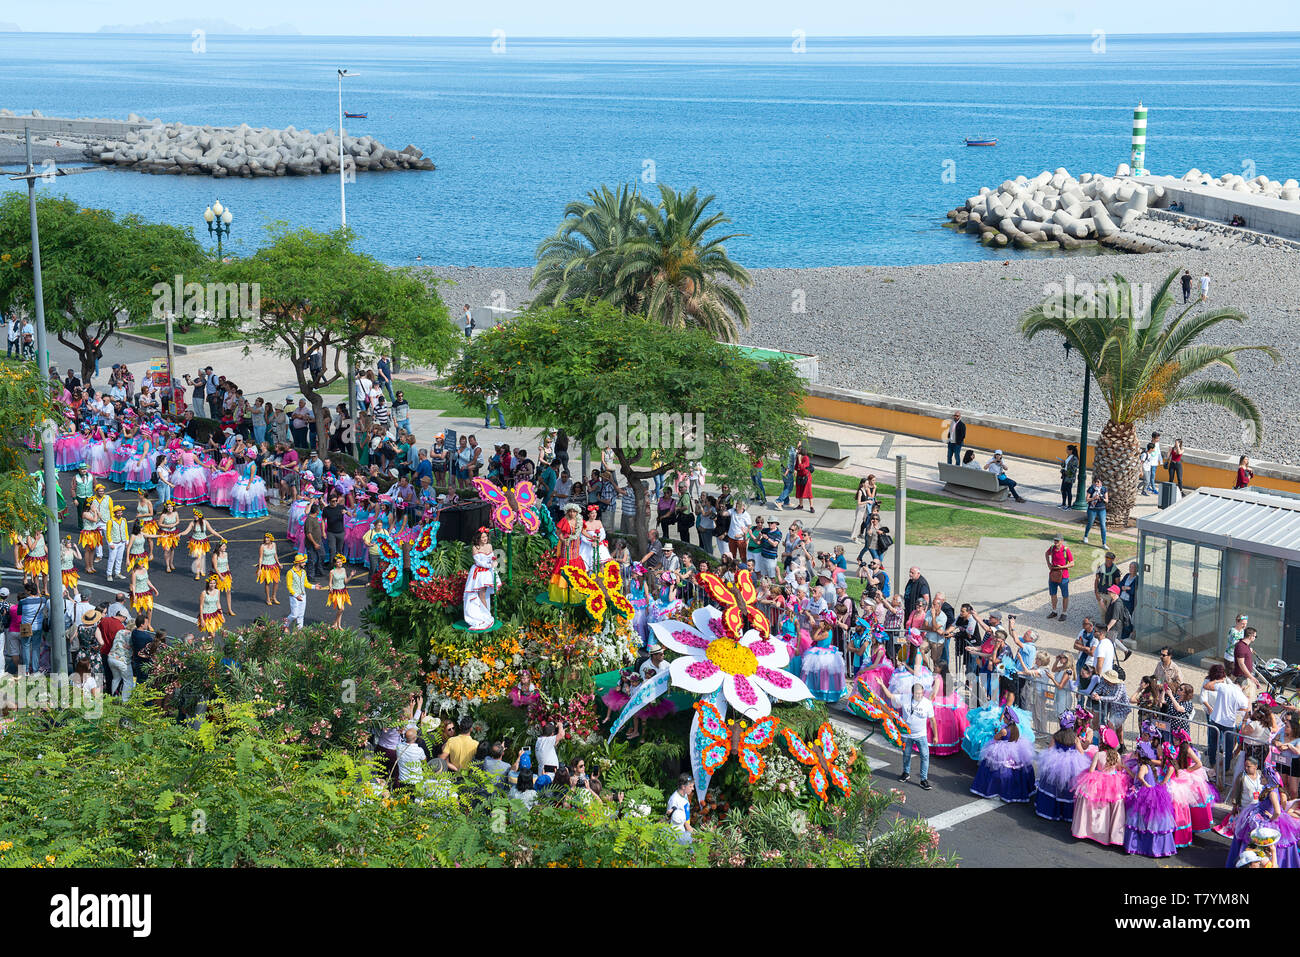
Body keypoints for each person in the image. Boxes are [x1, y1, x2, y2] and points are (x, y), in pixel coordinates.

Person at [1071, 728, 1127, 846]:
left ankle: (1088, 831)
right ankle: (1108, 834)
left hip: (1099, 780)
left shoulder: (1099, 754)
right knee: (1109, 806)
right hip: (1114, 783)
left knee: (1094, 805)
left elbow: (1091, 770)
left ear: (1103, 742)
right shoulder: (1117, 755)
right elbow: (1119, 769)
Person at [1033, 711, 1092, 821]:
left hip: (1056, 761)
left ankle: (1051, 809)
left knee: (1054, 785)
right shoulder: (1075, 738)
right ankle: (1066, 813)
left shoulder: (1056, 736)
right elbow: (1081, 753)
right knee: (1067, 787)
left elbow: (1050, 749)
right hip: (1071, 764)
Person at [970, 706, 1036, 803]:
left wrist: (996, 732)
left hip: (1002, 749)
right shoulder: (1015, 728)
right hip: (1014, 748)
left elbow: (996, 738)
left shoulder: (1004, 730)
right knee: (1014, 770)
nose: (1003, 719)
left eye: (1005, 718)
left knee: (996, 769)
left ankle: (996, 789)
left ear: (1008, 720)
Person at [1045, 533, 1073, 621]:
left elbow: (1072, 563)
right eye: (1055, 540)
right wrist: (1049, 564)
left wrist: (1062, 567)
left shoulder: (1066, 550)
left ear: (1062, 541)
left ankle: (1064, 613)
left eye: (1057, 540)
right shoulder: (1052, 548)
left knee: (1065, 595)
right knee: (1053, 594)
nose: (1055, 542)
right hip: (1053, 574)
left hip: (1063, 576)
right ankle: (1054, 611)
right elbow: (1046, 553)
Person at [284, 554, 315, 629]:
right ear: (298, 563)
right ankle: (285, 625)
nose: (305, 563)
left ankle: (299, 631)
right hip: (294, 597)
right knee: (294, 615)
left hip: (303, 595)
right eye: (303, 562)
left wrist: (314, 586)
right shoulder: (290, 572)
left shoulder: (303, 572)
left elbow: (305, 583)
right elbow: (289, 586)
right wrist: (296, 595)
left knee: (301, 615)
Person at [1081, 474, 1108, 546]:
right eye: (1095, 482)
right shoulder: (1091, 489)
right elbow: (1087, 499)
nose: (1096, 484)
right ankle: (1085, 536)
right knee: (1090, 523)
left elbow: (1107, 500)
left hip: (1101, 509)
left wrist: (1102, 498)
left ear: (1101, 482)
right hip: (1092, 509)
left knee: (1103, 525)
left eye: (1098, 482)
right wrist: (1094, 498)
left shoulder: (1104, 489)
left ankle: (1104, 543)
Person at [667, 773, 694, 843]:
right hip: (676, 836)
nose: (693, 789)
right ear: (683, 787)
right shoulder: (674, 800)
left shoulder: (684, 795)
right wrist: (695, 835)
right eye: (690, 786)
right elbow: (668, 819)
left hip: (684, 831)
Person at [1058, 444, 1079, 509]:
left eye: (1067, 449)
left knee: (1068, 491)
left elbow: (1073, 469)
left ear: (1071, 450)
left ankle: (1069, 505)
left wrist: (1066, 471)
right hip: (1065, 476)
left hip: (1069, 477)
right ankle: (1063, 504)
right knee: (1063, 490)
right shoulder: (1069, 456)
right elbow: (1066, 466)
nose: (1066, 450)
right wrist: (1063, 463)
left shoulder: (1074, 458)